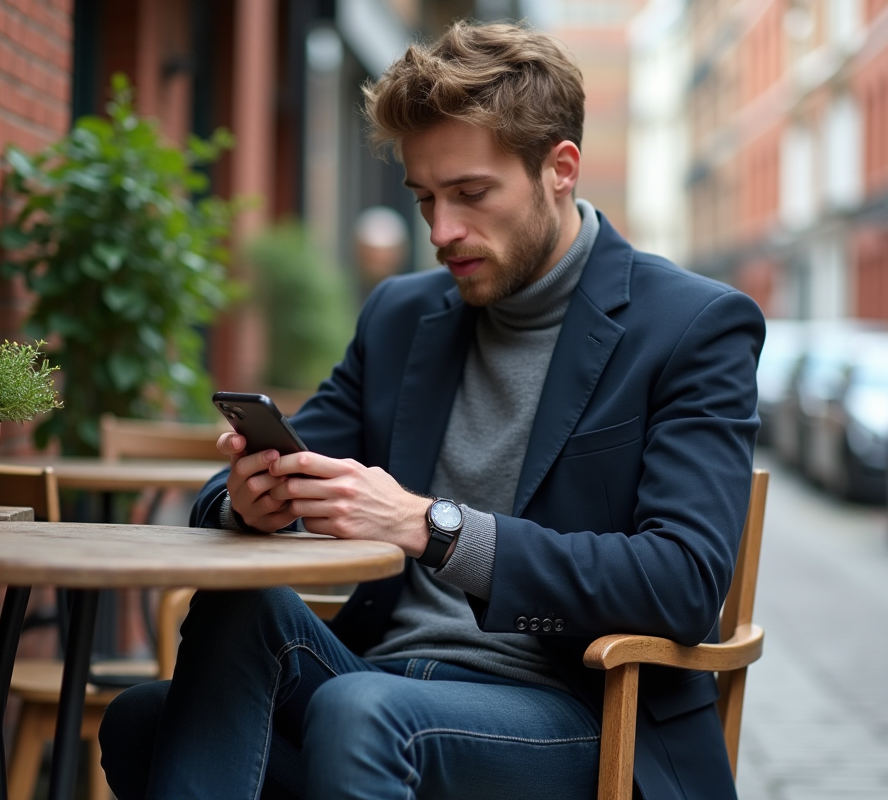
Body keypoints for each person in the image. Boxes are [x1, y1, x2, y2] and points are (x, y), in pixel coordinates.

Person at [100, 21, 764, 800]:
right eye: (424, 199)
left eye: (471, 194)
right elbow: (285, 468)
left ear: (561, 168)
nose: (442, 232)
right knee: (147, 710)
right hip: (378, 679)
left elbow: (682, 582)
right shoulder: (401, 317)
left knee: (357, 711)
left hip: (582, 715)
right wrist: (254, 503)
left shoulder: (691, 325)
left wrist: (432, 526)